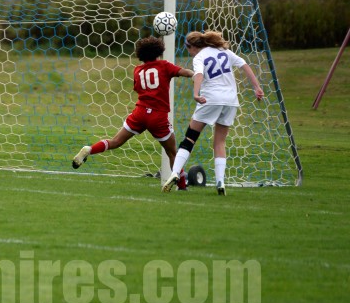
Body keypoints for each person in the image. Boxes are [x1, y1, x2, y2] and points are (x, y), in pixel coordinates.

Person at [72, 36, 194, 189]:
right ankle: (182, 186)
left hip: (140, 113)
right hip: (158, 116)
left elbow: (138, 88)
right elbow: (184, 72)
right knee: (172, 153)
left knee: (115, 141)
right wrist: (195, 74)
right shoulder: (164, 65)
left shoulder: (138, 70)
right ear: (159, 51)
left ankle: (89, 149)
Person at [162, 31, 264, 195]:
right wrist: (257, 87)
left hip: (211, 99)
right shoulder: (224, 51)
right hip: (230, 101)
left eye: (188, 48)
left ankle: (175, 172)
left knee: (190, 138)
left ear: (192, 47)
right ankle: (220, 182)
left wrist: (196, 93)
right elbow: (244, 64)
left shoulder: (199, 57)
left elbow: (199, 74)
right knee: (220, 142)